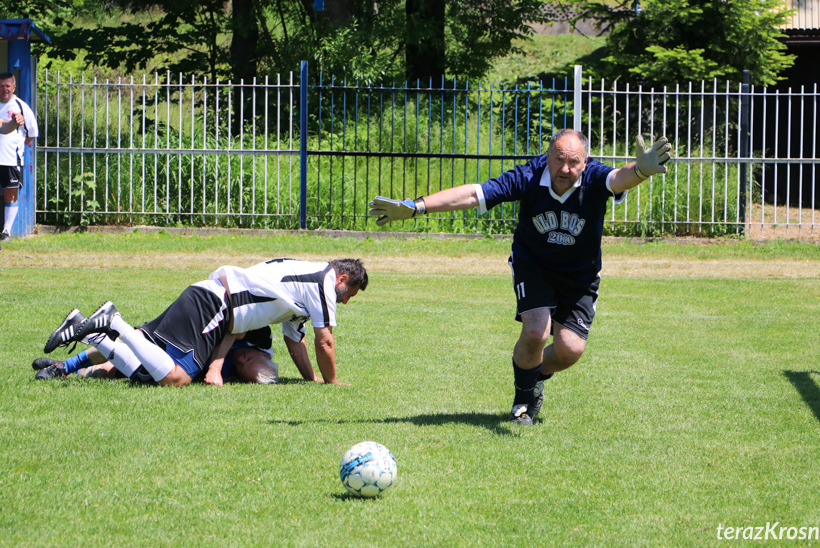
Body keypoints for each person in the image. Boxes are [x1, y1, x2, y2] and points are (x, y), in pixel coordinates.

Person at [369, 130, 672, 425]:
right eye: (558, 159)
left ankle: (533, 374)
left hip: (580, 276)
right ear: (548, 155)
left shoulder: (593, 177)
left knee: (570, 351)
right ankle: (522, 403)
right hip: (534, 265)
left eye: (574, 162)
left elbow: (619, 177)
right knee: (535, 332)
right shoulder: (528, 176)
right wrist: (417, 206)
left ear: (586, 161)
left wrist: (641, 171)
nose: (564, 169)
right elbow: (474, 194)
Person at [42, 258, 368, 387]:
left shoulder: (297, 294)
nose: (346, 301)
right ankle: (111, 322)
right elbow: (324, 340)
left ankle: (74, 354)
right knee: (175, 378)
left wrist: (312, 380)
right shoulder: (322, 283)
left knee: (147, 351)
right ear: (342, 278)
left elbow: (295, 341)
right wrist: (332, 381)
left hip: (210, 298)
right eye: (349, 294)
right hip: (215, 303)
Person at [34, 326, 279, 385]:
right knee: (131, 340)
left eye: (241, 368)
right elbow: (234, 323)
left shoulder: (228, 372)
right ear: (264, 357)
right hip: (181, 334)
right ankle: (65, 365)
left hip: (171, 361)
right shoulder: (260, 334)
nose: (240, 360)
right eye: (247, 359)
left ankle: (67, 369)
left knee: (110, 371)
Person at [0, 72, 38, 244]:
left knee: (10, 194)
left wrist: (17, 145)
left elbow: (32, 133)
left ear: (13, 87)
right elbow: (5, 126)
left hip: (11, 159)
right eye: (1, 86)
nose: (4, 89)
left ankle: (6, 231)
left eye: (7, 86)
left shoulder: (21, 106)